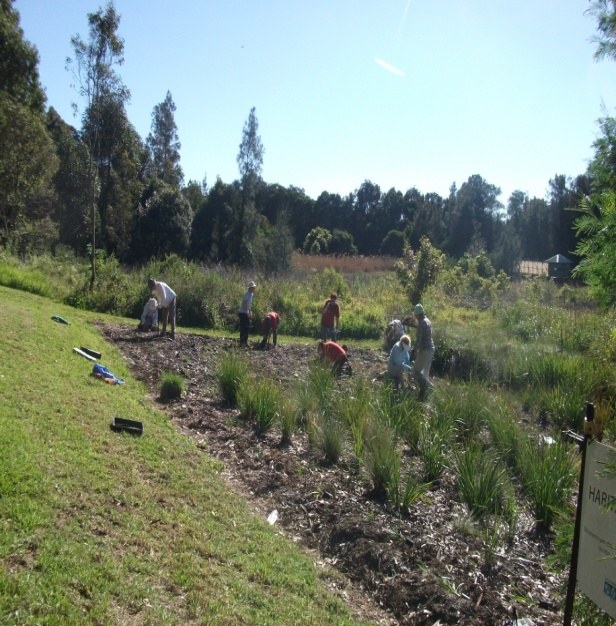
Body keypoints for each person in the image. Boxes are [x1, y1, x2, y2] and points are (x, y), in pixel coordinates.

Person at [411, 303, 435, 393]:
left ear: (417, 314)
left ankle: (429, 389)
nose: (415, 317)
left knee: (415, 371)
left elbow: (419, 340)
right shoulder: (428, 321)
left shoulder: (421, 323)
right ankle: (427, 391)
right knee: (425, 375)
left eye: (415, 315)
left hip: (425, 351)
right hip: (431, 349)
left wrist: (413, 351)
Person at [238, 281, 256, 347]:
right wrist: (247, 313)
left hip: (246, 312)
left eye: (254, 287)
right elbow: (244, 304)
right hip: (243, 312)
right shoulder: (247, 294)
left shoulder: (251, 294)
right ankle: (241, 342)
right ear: (250, 288)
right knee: (243, 328)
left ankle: (245, 342)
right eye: (253, 287)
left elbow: (249, 305)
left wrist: (250, 312)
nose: (254, 288)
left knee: (247, 328)